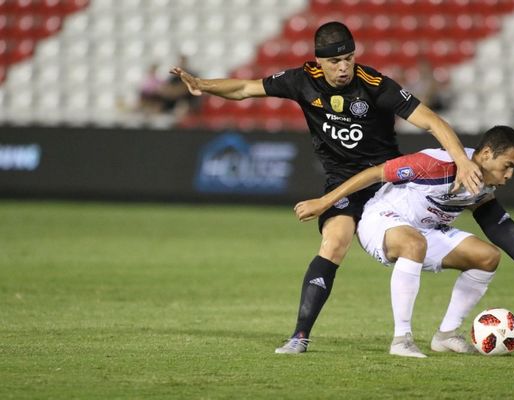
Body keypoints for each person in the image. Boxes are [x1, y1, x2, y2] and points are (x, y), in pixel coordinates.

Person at [169, 21, 483, 354]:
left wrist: (462, 161)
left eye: (349, 58)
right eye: (335, 61)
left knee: (454, 246)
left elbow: (432, 120)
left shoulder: (375, 85)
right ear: (319, 60)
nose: (344, 67)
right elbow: (245, 89)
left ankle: (446, 327)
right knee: (334, 243)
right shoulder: (301, 81)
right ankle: (299, 337)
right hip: (343, 183)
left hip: (388, 182)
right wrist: (202, 85)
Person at [294, 125, 514, 357]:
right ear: (487, 153)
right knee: (414, 243)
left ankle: (445, 335)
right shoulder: (436, 163)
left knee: (487, 257)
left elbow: (495, 221)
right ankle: (401, 339)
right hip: (381, 219)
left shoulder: (483, 182)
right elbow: (375, 173)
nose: (509, 175)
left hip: (426, 231)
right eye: (507, 166)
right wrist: (324, 202)